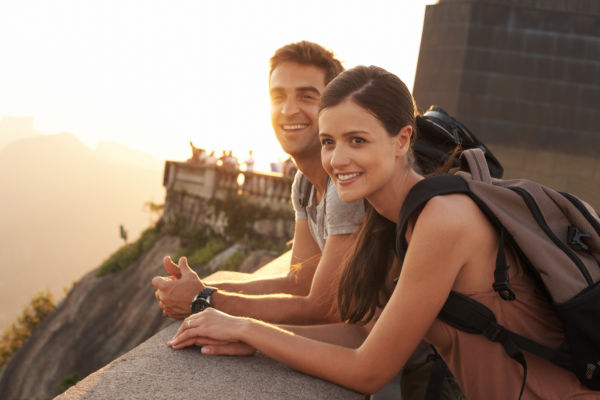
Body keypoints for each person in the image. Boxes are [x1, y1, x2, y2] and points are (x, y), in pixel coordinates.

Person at [166, 65, 597, 399]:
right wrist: (259, 337)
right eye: (329, 142)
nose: (337, 159)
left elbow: (369, 368)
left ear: (402, 139)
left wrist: (246, 330)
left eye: (357, 140)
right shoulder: (392, 219)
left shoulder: (445, 219)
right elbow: (364, 334)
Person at [152, 41, 363, 327]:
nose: (288, 110)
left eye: (307, 96)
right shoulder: (304, 183)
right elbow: (300, 282)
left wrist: (203, 299)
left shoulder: (346, 183)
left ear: (335, 105)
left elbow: (323, 309)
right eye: (278, 96)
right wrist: (206, 289)